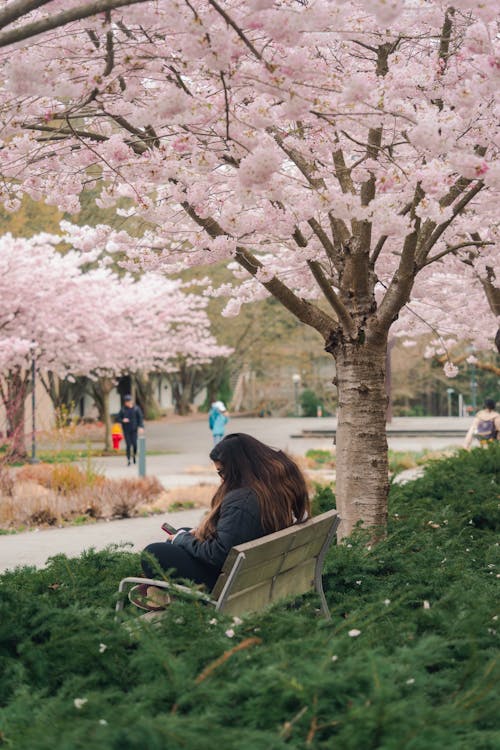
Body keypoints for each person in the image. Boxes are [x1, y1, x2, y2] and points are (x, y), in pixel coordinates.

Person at [129, 433, 310, 611]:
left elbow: (219, 554)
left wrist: (182, 540)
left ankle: (173, 596)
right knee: (185, 532)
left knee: (154, 553)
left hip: (231, 584)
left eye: (222, 472)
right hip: (256, 571)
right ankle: (168, 592)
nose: (221, 478)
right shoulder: (272, 487)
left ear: (237, 468)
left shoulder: (243, 500)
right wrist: (197, 534)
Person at [116, 394, 144, 465]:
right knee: (128, 445)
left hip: (134, 430)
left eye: (129, 401)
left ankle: (134, 455)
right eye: (126, 401)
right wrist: (122, 420)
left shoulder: (136, 409)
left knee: (134, 444)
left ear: (131, 401)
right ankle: (128, 459)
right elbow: (118, 418)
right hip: (126, 430)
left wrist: (141, 427)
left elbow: (140, 418)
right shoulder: (122, 410)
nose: (128, 403)